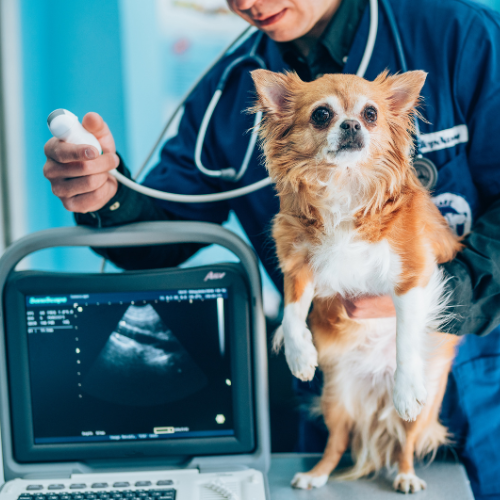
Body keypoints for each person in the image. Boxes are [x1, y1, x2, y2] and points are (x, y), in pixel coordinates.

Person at [43, 0, 500, 497]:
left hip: (473, 370)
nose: (246, 4)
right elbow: (159, 239)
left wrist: (439, 292)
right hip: (334, 372)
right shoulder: (227, 92)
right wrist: (107, 197)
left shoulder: (458, 35)